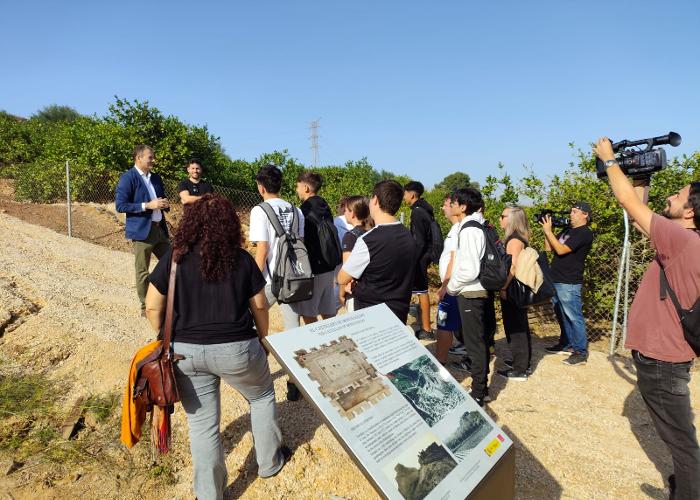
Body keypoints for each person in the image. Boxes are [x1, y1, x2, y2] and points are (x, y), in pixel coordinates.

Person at [144, 194, 290, 500]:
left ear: (191, 223)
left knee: (202, 425)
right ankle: (268, 463)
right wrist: (263, 339)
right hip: (237, 348)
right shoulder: (241, 259)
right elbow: (260, 306)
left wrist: (166, 334)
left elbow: (152, 306)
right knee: (261, 396)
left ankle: (209, 494)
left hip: (185, 352)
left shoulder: (174, 257)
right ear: (229, 225)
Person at [595, 137, 700, 499]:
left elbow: (626, 203)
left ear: (690, 211)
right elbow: (641, 221)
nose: (671, 197)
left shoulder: (683, 241)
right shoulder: (684, 239)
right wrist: (641, 178)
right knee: (680, 439)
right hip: (666, 358)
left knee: (683, 444)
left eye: (678, 195)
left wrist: (611, 161)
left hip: (663, 361)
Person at [248, 164, 305, 401]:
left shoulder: (259, 210)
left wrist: (251, 280)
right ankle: (294, 383)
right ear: (279, 185)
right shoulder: (296, 210)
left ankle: (255, 375)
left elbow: (262, 249)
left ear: (261, 187)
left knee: (251, 320)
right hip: (295, 278)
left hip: (271, 279)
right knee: (293, 330)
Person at [337, 180, 417, 323]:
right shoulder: (407, 235)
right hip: (399, 311)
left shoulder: (369, 240)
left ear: (375, 200)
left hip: (370, 314)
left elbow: (342, 278)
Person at [446, 187, 490, 406]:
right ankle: (482, 387)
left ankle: (479, 392)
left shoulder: (470, 230)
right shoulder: (470, 226)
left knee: (474, 344)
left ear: (463, 207)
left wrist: (452, 287)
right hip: (470, 291)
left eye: (453, 203)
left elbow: (469, 269)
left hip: (471, 292)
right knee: (476, 342)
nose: (451, 206)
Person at [115, 144, 171, 316]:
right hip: (142, 232)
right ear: (139, 158)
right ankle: (145, 306)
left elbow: (159, 200)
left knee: (173, 264)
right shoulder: (128, 178)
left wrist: (164, 204)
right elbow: (121, 205)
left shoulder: (155, 178)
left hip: (159, 229)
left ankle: (171, 299)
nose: (153, 160)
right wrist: (148, 205)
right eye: (150, 157)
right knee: (142, 270)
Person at [540, 201, 594, 366]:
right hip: (556, 278)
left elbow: (562, 250)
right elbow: (549, 248)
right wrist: (548, 231)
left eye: (575, 212)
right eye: (571, 211)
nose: (571, 214)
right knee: (561, 314)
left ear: (585, 215)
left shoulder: (584, 233)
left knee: (574, 316)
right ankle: (566, 343)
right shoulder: (568, 230)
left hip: (569, 281)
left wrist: (549, 232)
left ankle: (580, 352)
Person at [295, 171, 340, 324]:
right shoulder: (324, 205)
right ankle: (336, 339)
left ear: (306, 188)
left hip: (314, 266)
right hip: (329, 264)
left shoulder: (305, 209)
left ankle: (318, 344)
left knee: (308, 312)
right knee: (327, 310)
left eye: (298, 186)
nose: (297, 190)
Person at [496, 205, 532, 381]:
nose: (500, 219)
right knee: (518, 324)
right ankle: (521, 362)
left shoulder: (514, 240)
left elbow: (513, 266)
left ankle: (520, 369)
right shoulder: (518, 238)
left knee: (516, 327)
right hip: (516, 287)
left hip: (513, 287)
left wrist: (503, 287)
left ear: (512, 219)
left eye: (503, 216)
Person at [403, 181, 436, 340]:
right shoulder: (425, 209)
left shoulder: (417, 212)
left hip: (420, 256)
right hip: (426, 255)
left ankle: (426, 329)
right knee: (421, 290)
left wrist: (411, 260)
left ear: (412, 194)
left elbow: (419, 241)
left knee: (421, 291)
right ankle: (426, 327)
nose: (404, 197)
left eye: (405, 193)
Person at [434, 192, 464, 365]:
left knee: (444, 323)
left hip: (452, 286)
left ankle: (440, 360)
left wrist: (445, 285)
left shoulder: (459, 228)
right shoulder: (455, 228)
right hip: (451, 284)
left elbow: (455, 259)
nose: (443, 208)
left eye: (446, 204)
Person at [338, 195, 372, 312]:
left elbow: (347, 270)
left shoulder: (350, 237)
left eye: (346, 210)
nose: (344, 213)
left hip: (355, 293)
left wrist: (341, 294)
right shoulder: (371, 232)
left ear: (353, 213)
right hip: (371, 290)